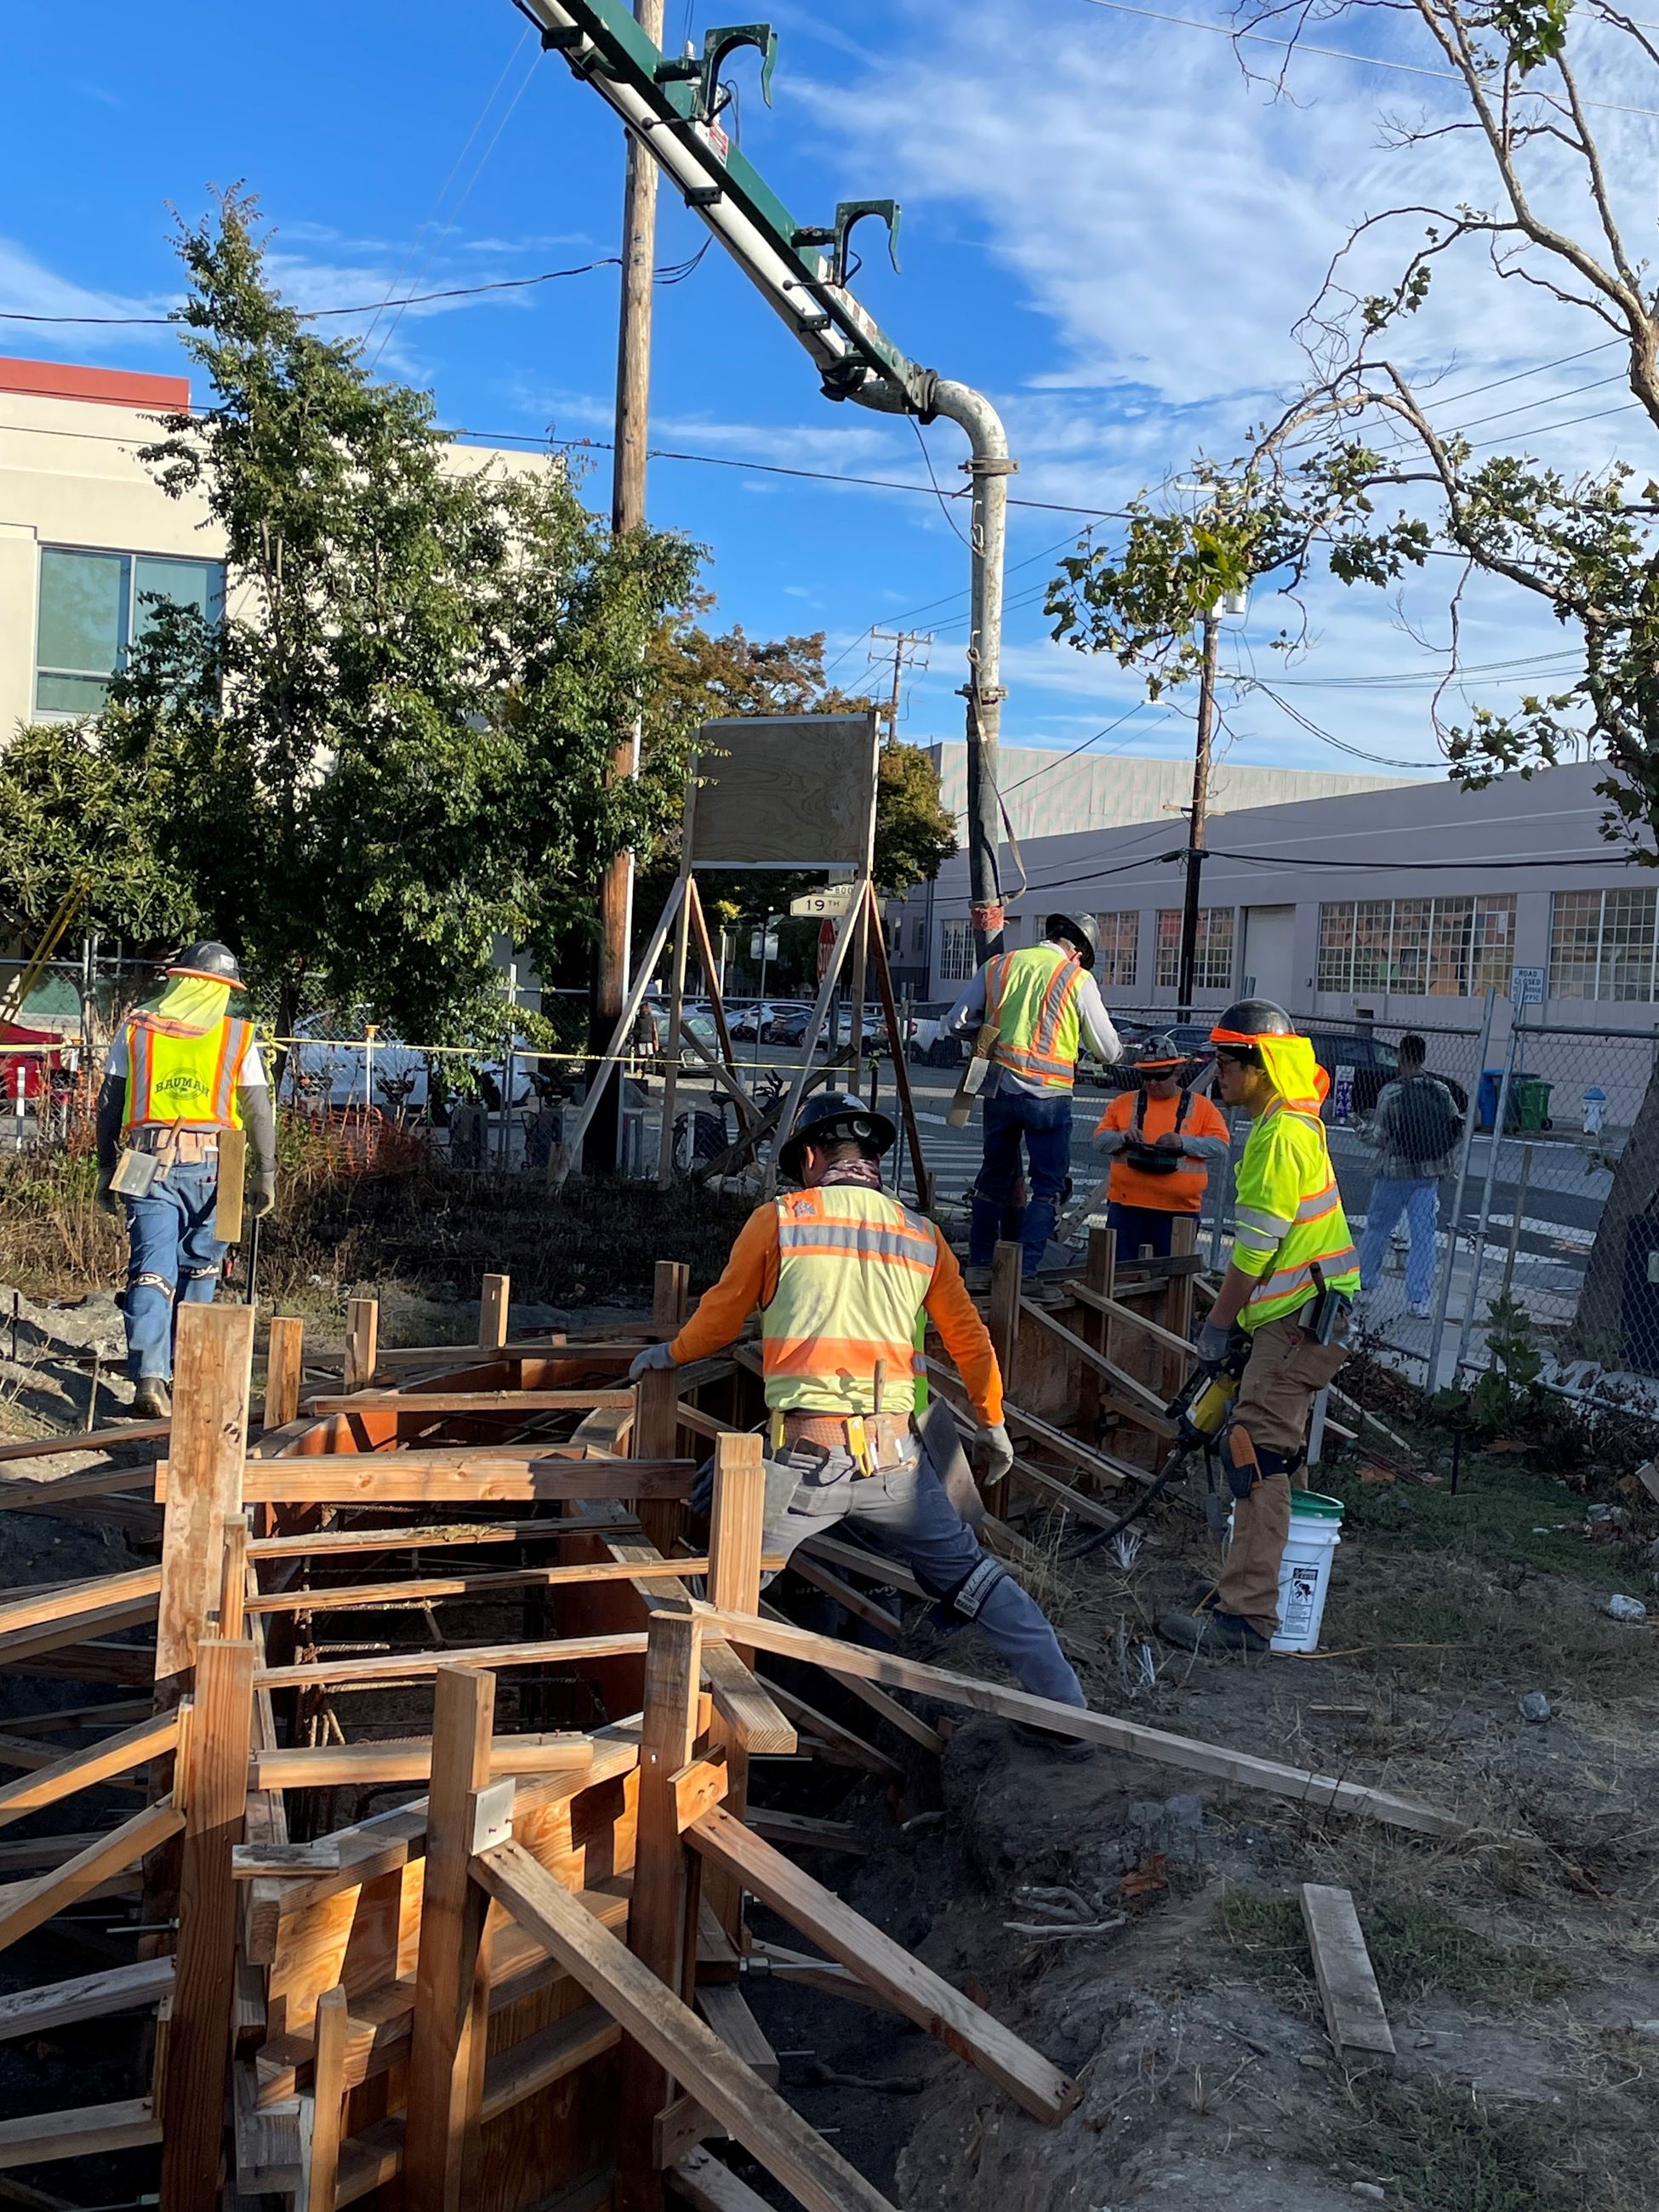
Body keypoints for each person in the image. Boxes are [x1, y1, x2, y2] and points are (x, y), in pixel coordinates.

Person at [628, 1091, 1092, 1753]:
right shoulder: (920, 1234)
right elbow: (970, 1341)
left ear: (811, 1157)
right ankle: (1067, 1713)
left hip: (804, 1465)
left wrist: (668, 1354)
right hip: (896, 1464)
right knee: (976, 1579)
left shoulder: (781, 1220)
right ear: (873, 1161)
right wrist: (991, 1422)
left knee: (720, 1600)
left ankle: (679, 1736)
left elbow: (722, 1317)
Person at [1158, 1001, 1359, 1656]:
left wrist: (1219, 1325)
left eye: (1224, 1061)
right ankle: (1267, 1585)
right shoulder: (1292, 1122)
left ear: (1260, 1064)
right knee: (1277, 1453)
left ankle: (1245, 1615)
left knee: (1254, 1452)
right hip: (1300, 1317)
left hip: (1296, 1321)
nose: (1215, 1073)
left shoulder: (1279, 1137)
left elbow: (1254, 1252)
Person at [95, 943, 276, 1419]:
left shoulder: (136, 1029)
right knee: (201, 1269)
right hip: (223, 1163)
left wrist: (102, 1166)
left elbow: (110, 1103)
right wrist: (267, 1172)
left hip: (146, 1158)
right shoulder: (237, 1035)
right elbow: (258, 1109)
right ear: (223, 989)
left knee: (152, 1270)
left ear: (179, 980)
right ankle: (191, 1374)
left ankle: (151, 1376)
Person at [946, 913, 1122, 1287]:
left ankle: (978, 1267)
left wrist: (993, 1034)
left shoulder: (999, 965)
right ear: (1078, 952)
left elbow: (956, 1021)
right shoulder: (1076, 978)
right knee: (1047, 1186)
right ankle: (1024, 1274)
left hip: (999, 1089)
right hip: (1048, 1097)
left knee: (992, 1177)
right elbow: (1108, 1050)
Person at [1091, 1035, 1232, 1259]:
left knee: (1170, 1281)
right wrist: (1123, 1138)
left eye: (1160, 1076)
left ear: (1177, 1072)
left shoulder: (1201, 1107)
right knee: (1120, 1276)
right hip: (1127, 1208)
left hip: (1178, 1213)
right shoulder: (1124, 1103)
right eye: (1146, 1076)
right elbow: (1099, 1142)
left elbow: (1220, 1145)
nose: (1152, 1083)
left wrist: (1183, 1143)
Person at [1354, 1033, 1463, 1318]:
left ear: (1401, 1056)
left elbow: (1378, 1136)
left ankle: (1365, 1285)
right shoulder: (1440, 1090)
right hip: (1428, 1173)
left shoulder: (1392, 1092)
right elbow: (1455, 1127)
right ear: (1424, 1057)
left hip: (1394, 1172)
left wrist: (1361, 1129)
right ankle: (1419, 1299)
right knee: (1423, 1235)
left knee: (1378, 1228)